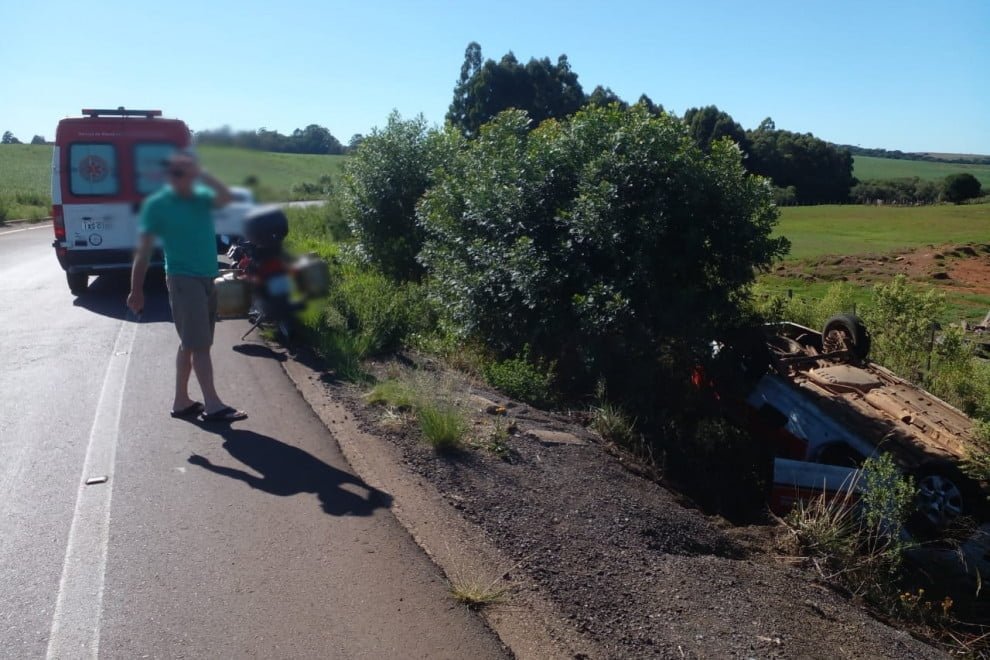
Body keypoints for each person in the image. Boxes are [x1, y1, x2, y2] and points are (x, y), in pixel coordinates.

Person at [127, 149, 247, 422]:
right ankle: (213, 405)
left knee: (190, 344)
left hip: (207, 278)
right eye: (180, 173)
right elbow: (143, 251)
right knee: (200, 345)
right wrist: (136, 289)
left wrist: (203, 173)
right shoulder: (158, 205)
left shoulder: (200, 198)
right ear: (168, 177)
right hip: (184, 280)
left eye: (189, 172)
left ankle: (181, 402)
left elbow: (227, 198)